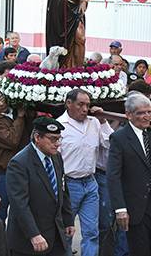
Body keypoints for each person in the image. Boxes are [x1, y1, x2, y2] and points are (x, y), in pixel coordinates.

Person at [56, 89, 113, 256]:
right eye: (80, 104)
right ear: (68, 103)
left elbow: (110, 144)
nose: (85, 109)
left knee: (91, 232)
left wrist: (103, 121)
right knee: (66, 231)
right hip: (69, 185)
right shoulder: (60, 126)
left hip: (90, 182)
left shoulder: (94, 122)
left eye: (87, 105)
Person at [7, 117, 75, 256]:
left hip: (55, 234)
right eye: (53, 139)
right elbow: (19, 204)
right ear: (37, 137)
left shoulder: (56, 157)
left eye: (59, 139)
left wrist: (68, 220)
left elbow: (63, 190)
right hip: (30, 241)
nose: (57, 144)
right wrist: (34, 234)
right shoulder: (19, 163)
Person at [107, 92, 151, 256]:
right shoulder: (119, 138)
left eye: (149, 112)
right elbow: (113, 176)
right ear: (129, 115)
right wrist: (120, 208)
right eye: (141, 113)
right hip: (135, 208)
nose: (146, 116)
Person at [0, 87, 26, 222]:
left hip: (20, 168)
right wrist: (19, 118)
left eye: (1, 98)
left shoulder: (11, 110)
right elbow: (12, 140)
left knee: (21, 207)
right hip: (3, 169)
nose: (1, 103)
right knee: (0, 208)